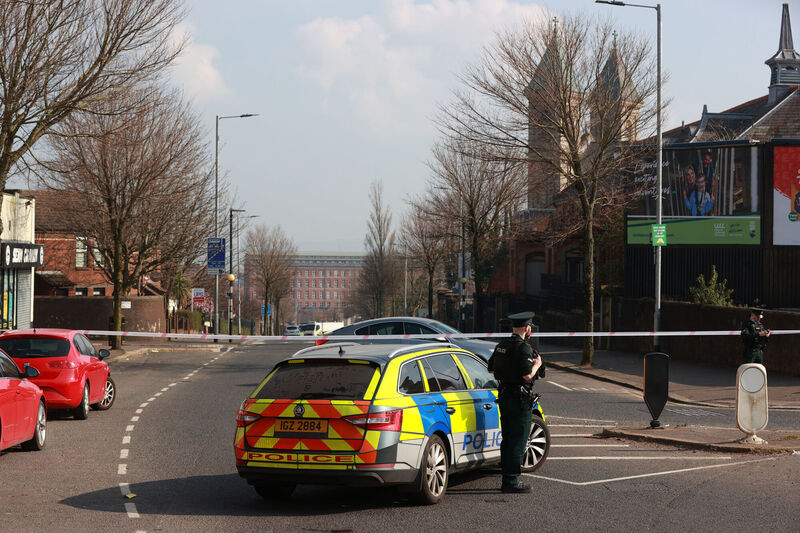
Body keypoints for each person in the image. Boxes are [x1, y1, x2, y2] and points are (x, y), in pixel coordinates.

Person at [487, 311, 542, 494]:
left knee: (508, 437)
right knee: (518, 439)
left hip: (504, 397)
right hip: (520, 401)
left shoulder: (502, 345)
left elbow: (491, 368)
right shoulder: (524, 348)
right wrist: (537, 365)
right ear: (527, 328)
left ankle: (507, 475)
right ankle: (511, 480)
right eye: (530, 328)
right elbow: (527, 375)